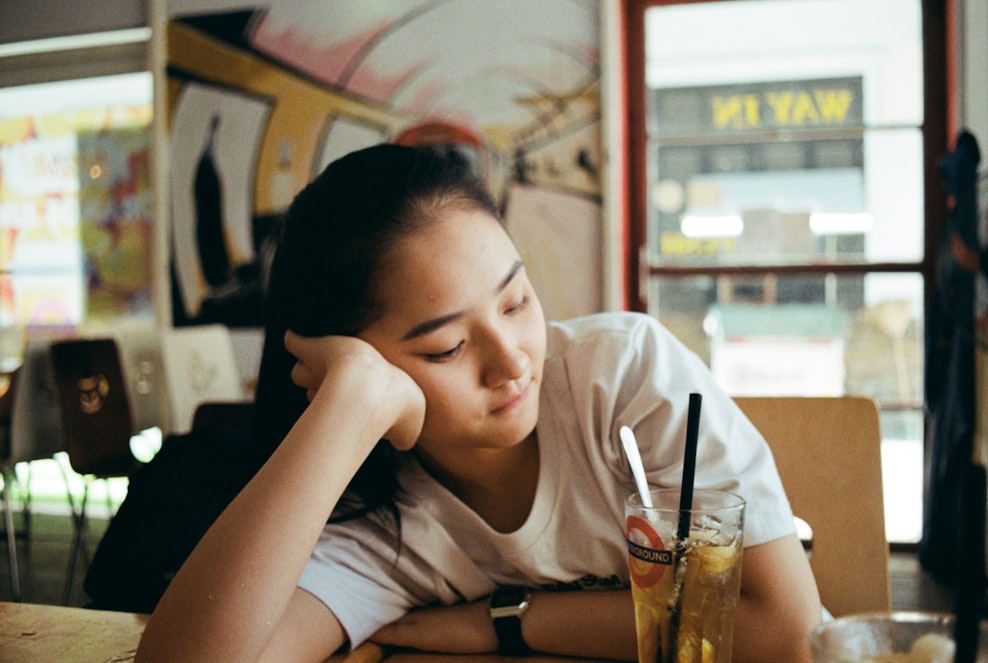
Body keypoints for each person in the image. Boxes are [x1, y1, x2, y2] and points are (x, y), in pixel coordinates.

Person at [136, 144, 822, 662]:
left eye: (517, 300)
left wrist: (507, 619)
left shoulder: (624, 378)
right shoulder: (383, 531)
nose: (513, 359)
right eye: (446, 348)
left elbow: (782, 627)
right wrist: (345, 406)